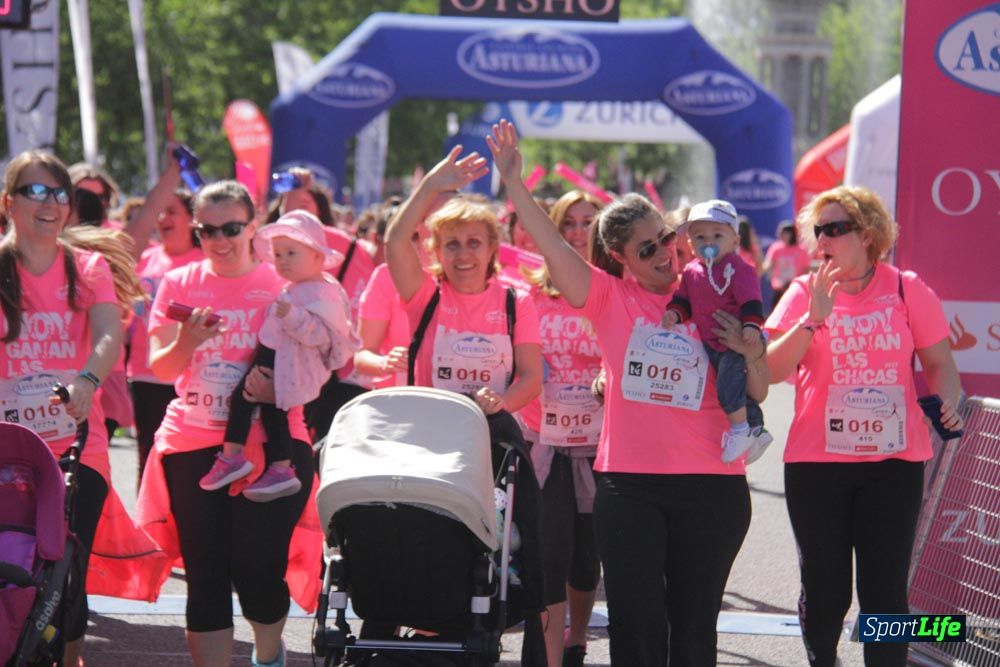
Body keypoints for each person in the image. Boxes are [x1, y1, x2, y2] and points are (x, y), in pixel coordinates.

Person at [489, 119, 768, 666]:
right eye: (647, 249)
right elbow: (553, 248)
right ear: (620, 258)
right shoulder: (608, 298)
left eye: (667, 237)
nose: (665, 252)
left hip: (714, 486)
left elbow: (759, 387)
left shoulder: (719, 286)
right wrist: (515, 185)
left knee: (693, 632)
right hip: (631, 488)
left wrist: (750, 348)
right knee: (637, 630)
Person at [764, 185, 963, 667]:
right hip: (817, 465)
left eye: (835, 229)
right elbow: (767, 371)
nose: (823, 239)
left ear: (868, 235)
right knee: (826, 590)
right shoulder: (802, 293)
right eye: (818, 231)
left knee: (884, 593)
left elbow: (939, 362)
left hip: (892, 464)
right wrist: (812, 320)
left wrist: (950, 400)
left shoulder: (905, 288)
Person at [138, 181, 319, 667]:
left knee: (258, 570)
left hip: (272, 447)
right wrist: (188, 341)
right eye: (208, 230)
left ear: (253, 225)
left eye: (232, 228)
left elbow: (321, 365)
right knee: (207, 572)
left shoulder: (283, 284)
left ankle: (267, 654)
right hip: (195, 440)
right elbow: (160, 368)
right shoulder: (179, 283)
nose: (220, 239)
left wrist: (275, 388)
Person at [0, 151, 143, 666]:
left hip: (78, 446)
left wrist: (87, 379)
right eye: (36, 191)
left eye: (60, 194)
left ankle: (70, 659)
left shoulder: (88, 267)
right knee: (12, 570)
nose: (51, 203)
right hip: (9, 447)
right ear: (8, 203)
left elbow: (108, 334)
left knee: (67, 575)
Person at [198, 210, 356, 501]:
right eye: (279, 254)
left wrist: (294, 316)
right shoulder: (298, 287)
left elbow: (323, 337)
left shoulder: (323, 293)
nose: (282, 261)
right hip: (273, 355)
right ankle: (262, 463)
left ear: (318, 258)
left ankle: (258, 462)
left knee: (260, 404)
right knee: (259, 404)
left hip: (285, 361)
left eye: (291, 253)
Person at [514, 190, 605, 667]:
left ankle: (578, 641)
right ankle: (550, 658)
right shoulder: (528, 292)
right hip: (543, 444)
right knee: (549, 556)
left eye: (589, 222)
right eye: (568, 222)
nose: (577, 232)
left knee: (585, 563)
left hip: (600, 445)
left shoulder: (611, 287)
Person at [385, 147, 542, 417]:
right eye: (452, 244)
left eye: (474, 243)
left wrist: (499, 404)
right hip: (428, 433)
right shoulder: (424, 294)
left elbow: (531, 379)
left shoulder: (517, 302)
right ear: (436, 250)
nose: (463, 255)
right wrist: (430, 185)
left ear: (492, 246)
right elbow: (395, 241)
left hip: (489, 435)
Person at [661, 199, 771, 464]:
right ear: (689, 244)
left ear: (734, 240)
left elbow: (751, 301)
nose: (707, 241)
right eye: (699, 237)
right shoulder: (691, 272)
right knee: (734, 388)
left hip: (733, 343)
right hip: (711, 345)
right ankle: (756, 428)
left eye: (717, 235)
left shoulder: (739, 269)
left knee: (727, 388)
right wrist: (675, 313)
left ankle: (740, 430)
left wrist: (751, 326)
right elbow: (684, 300)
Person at [125, 149, 203, 481]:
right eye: (160, 213)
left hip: (193, 376)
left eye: (171, 211)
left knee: (186, 460)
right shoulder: (146, 259)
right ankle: (149, 529)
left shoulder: (207, 260)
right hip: (145, 374)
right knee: (149, 455)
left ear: (192, 219)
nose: (162, 219)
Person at [763, 220, 811, 310]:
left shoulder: (801, 250)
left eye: (783, 233)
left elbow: (806, 269)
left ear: (791, 234)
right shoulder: (776, 248)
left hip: (795, 289)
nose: (780, 236)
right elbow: (768, 264)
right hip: (779, 289)